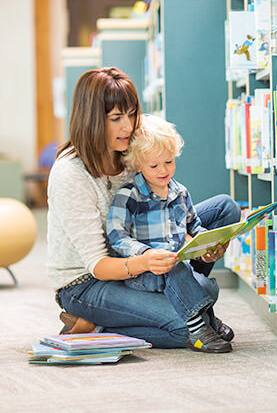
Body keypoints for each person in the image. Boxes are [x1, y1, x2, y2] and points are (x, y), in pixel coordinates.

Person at [47, 67, 240, 351]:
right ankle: (94, 324)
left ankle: (187, 289)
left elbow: (167, 202)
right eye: (116, 118)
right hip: (88, 282)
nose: (127, 127)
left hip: (141, 253)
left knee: (225, 211)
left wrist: (200, 244)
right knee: (181, 328)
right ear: (91, 121)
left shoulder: (130, 151)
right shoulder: (70, 175)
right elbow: (98, 265)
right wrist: (147, 261)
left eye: (132, 114)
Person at [106, 114, 233, 353]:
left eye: (169, 162)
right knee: (172, 264)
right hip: (143, 273)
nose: (163, 170)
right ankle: (200, 329)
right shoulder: (130, 195)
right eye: (154, 166)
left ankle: (207, 322)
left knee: (205, 285)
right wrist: (146, 254)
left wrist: (205, 243)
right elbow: (117, 236)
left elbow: (193, 224)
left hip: (175, 268)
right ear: (139, 165)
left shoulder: (180, 192)